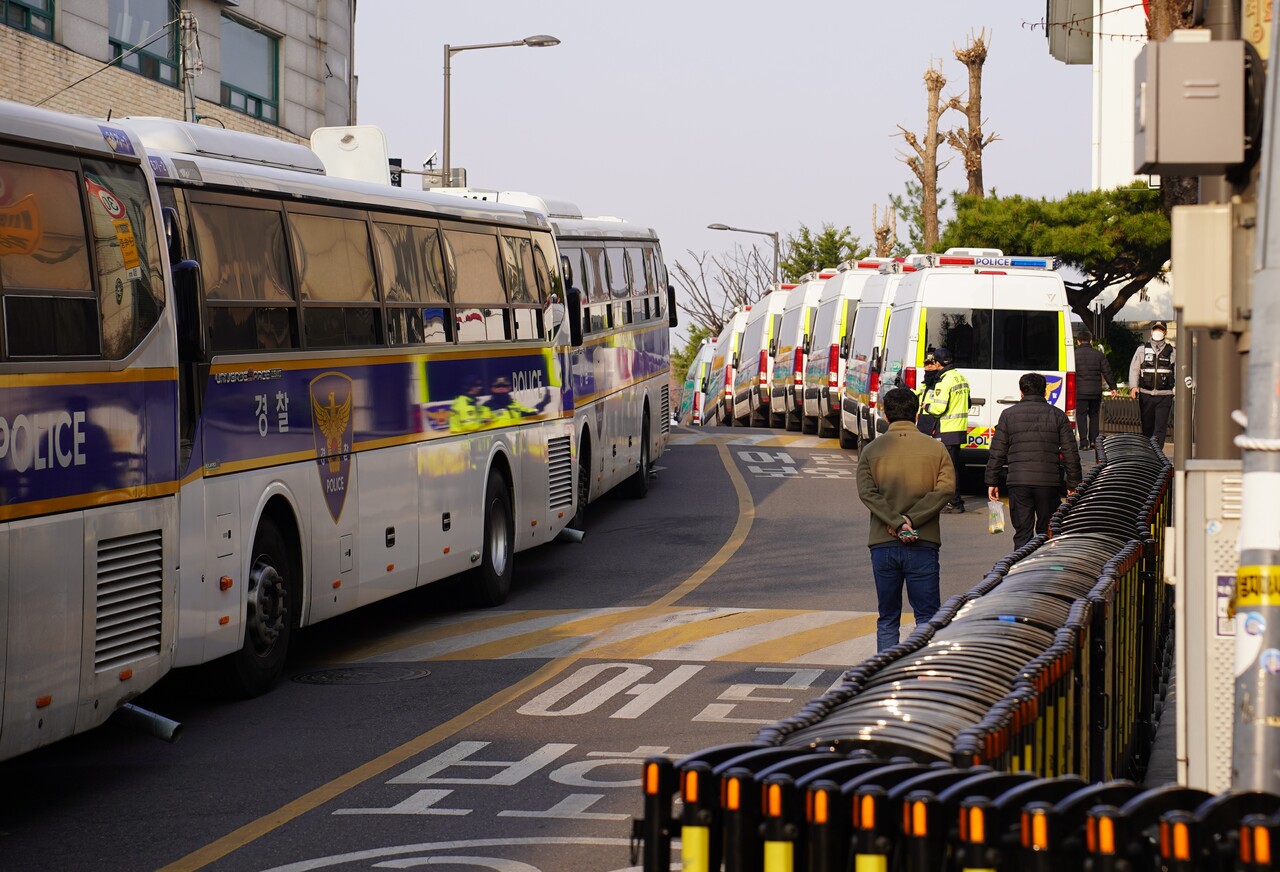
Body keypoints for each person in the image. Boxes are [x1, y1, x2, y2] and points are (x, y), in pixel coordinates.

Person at [856, 387, 956, 652]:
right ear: (917, 413)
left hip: (882, 543)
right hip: (923, 541)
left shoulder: (871, 450)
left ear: (886, 416)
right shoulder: (936, 449)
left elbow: (867, 492)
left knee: (888, 617)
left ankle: (885, 676)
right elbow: (945, 489)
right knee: (927, 616)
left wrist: (896, 521)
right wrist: (911, 519)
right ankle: (923, 674)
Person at [985, 372, 1083, 550]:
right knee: (1048, 531)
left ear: (1021, 392)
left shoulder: (1008, 415)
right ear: (1045, 392)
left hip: (1018, 482)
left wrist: (992, 481)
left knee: (1023, 532)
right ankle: (1042, 570)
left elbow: (997, 451)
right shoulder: (1058, 416)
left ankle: (1020, 570)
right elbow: (1070, 453)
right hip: (1048, 483)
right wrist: (1073, 484)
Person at [919, 347, 970, 513]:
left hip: (947, 429)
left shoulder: (944, 381)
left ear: (939, 363)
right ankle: (954, 501)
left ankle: (954, 502)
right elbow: (968, 403)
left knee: (948, 469)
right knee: (953, 467)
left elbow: (938, 409)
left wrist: (926, 405)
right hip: (959, 429)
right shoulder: (960, 377)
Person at [1128, 321, 1175, 445]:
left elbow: (1178, 371)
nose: (1158, 332)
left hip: (1165, 395)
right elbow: (1134, 369)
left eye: (1160, 330)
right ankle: (1148, 451)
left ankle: (1157, 453)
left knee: (1160, 427)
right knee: (1147, 426)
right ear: (1151, 331)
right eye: (1156, 329)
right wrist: (1133, 387)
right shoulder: (1142, 349)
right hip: (1146, 394)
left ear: (1165, 332)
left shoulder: (1172, 351)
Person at [1074, 329, 1117, 450]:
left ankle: (1083, 442)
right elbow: (1107, 372)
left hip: (1080, 392)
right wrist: (1113, 387)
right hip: (1095, 391)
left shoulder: (1074, 355)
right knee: (1094, 415)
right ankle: (1093, 440)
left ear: (1078, 342)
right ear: (1091, 341)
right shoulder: (1099, 355)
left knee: (1081, 416)